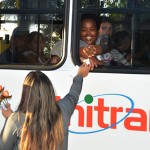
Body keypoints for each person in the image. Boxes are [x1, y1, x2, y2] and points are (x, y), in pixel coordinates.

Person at [0, 63, 91, 150]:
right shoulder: (63, 109)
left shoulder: (16, 119)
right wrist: (79, 75)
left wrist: (9, 118)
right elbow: (73, 94)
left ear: (26, 94)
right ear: (49, 91)